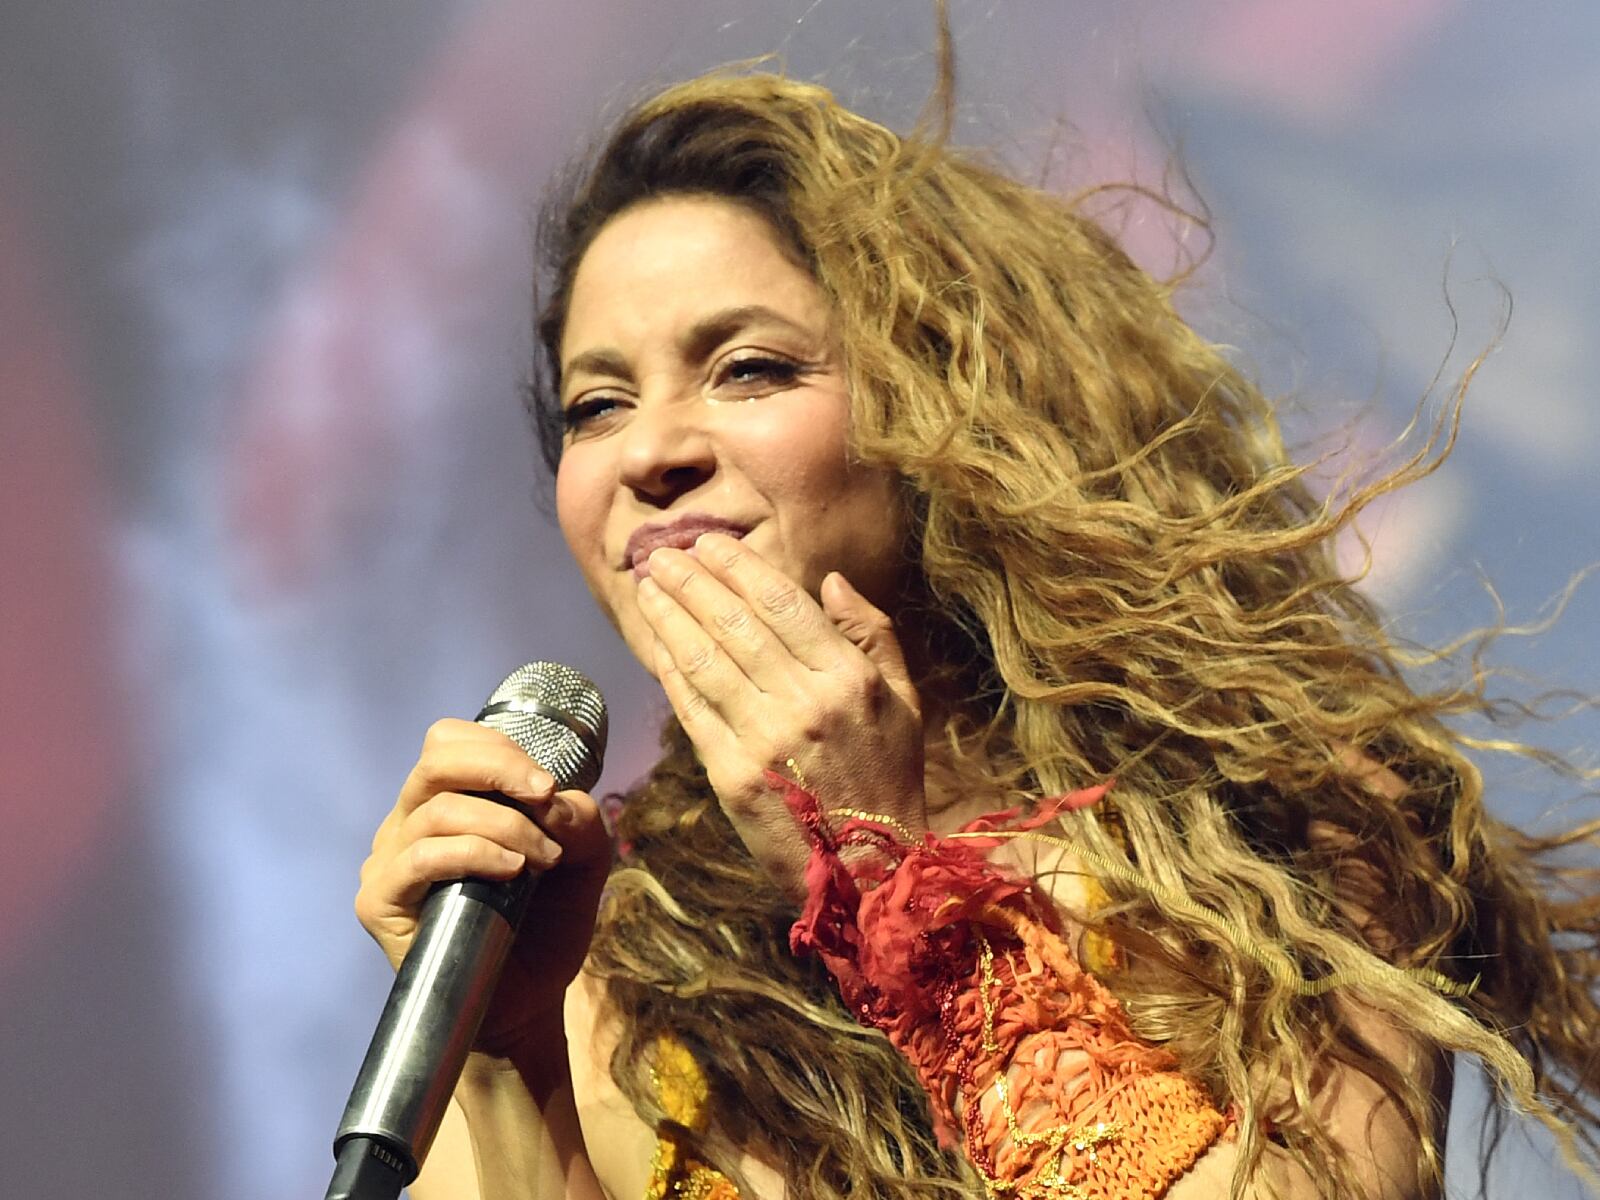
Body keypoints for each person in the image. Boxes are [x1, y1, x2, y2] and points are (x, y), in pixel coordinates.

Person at [351, 61, 1600, 1200]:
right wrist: (509, 1060)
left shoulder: (1276, 822)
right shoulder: (615, 949)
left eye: (747, 369)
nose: (650, 454)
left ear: (947, 413)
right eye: (596, 403)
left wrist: (901, 888)